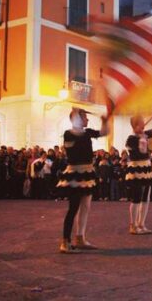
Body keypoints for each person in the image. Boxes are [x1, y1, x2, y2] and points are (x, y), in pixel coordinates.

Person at [56, 108, 109, 253]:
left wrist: (105, 122)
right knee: (73, 208)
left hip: (87, 172)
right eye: (84, 117)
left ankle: (80, 238)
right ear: (77, 119)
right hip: (75, 173)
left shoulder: (87, 132)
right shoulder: (69, 134)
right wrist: (75, 114)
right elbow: (71, 149)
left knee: (86, 206)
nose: (87, 119)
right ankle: (65, 242)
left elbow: (104, 132)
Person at [125, 114, 152, 234]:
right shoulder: (131, 139)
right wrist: (142, 138)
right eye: (141, 123)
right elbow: (141, 151)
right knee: (136, 197)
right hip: (136, 169)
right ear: (135, 125)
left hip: (146, 168)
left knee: (146, 197)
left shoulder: (144, 135)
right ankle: (133, 225)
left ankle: (141, 224)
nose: (143, 124)